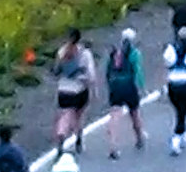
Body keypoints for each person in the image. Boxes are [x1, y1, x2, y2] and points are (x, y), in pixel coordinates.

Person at [102, 28, 145, 158]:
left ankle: (113, 145)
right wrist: (141, 87)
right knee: (135, 113)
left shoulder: (114, 53)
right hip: (129, 85)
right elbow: (138, 71)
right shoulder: (134, 53)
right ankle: (139, 139)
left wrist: (109, 86)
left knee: (115, 115)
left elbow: (107, 71)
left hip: (115, 86)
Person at [52, 29, 94, 155]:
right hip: (79, 90)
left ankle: (61, 134)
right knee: (78, 116)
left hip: (63, 90)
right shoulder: (85, 53)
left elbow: (56, 71)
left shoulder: (61, 52)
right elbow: (90, 75)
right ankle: (78, 139)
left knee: (65, 115)